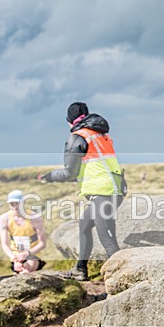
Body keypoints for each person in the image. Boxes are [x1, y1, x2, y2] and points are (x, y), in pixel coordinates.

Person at [39, 102, 126, 281]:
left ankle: (122, 281)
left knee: (108, 240)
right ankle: (80, 269)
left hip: (103, 193)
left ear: (69, 121)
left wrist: (49, 176)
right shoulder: (100, 134)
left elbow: (69, 172)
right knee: (84, 226)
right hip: (113, 189)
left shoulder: (78, 137)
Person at [0, 189, 47, 274]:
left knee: (28, 267)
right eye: (12, 204)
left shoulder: (35, 218)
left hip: (33, 254)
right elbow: (5, 243)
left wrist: (26, 253)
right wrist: (13, 257)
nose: (15, 207)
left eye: (17, 203)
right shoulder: (4, 219)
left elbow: (43, 243)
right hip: (15, 256)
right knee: (19, 270)